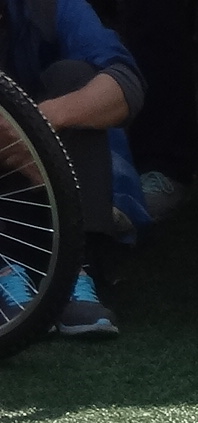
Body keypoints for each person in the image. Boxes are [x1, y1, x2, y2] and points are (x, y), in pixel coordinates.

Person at [0, 0, 142, 337]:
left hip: (64, 188)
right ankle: (6, 271)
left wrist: (36, 129)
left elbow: (126, 85)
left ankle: (76, 271)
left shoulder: (49, 6)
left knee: (76, 76)